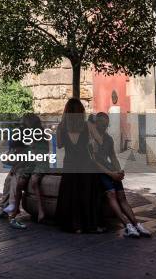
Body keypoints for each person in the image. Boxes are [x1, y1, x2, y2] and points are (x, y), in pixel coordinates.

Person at [92, 112, 151, 238]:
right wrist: (111, 174)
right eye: (101, 124)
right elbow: (94, 162)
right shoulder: (92, 140)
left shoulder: (108, 139)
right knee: (111, 194)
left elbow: (112, 156)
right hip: (99, 172)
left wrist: (119, 170)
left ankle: (136, 224)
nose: (103, 127)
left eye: (106, 125)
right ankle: (127, 225)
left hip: (110, 170)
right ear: (96, 124)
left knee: (121, 196)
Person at [55, 98, 105, 233]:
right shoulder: (87, 125)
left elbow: (59, 145)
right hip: (84, 163)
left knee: (71, 195)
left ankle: (75, 226)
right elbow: (100, 141)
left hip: (69, 164)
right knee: (86, 194)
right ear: (81, 111)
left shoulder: (61, 127)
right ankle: (90, 225)